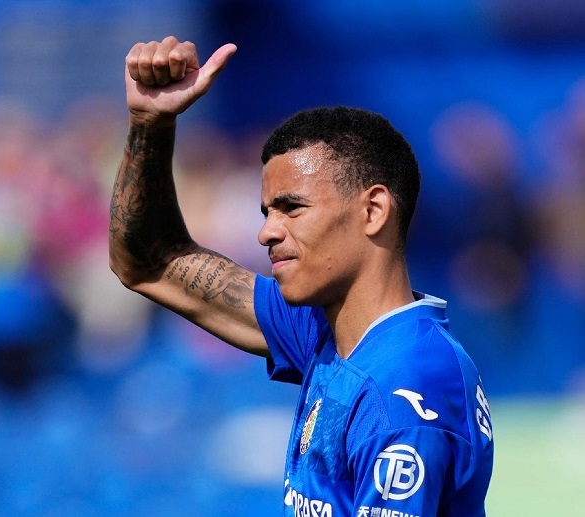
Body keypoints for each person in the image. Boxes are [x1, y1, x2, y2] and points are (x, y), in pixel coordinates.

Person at [109, 36, 494, 517]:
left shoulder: (407, 392)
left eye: (292, 208)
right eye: (267, 212)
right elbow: (148, 262)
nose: (266, 232)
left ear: (373, 210)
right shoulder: (324, 330)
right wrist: (150, 122)